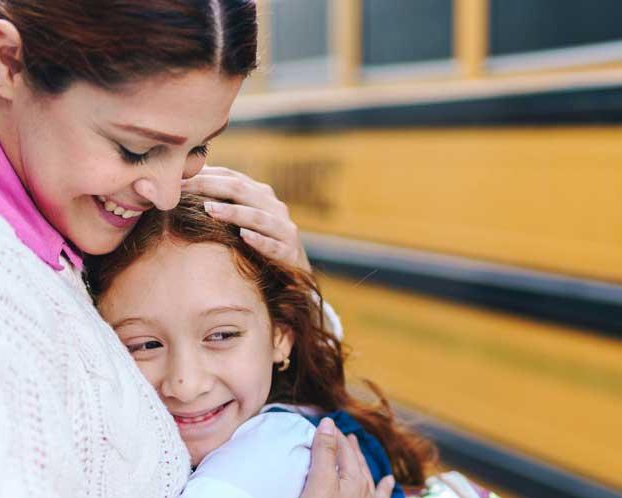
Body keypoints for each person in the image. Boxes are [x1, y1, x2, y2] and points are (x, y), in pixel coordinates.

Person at [0, 1, 385, 497]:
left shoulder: (27, 232)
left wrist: (282, 292)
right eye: (135, 148)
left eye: (198, 149)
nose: (168, 193)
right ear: (8, 61)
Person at [90, 194, 498, 498]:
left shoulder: (258, 459)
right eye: (144, 344)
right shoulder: (300, 422)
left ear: (281, 338)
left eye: (222, 335)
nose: (186, 382)